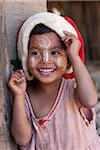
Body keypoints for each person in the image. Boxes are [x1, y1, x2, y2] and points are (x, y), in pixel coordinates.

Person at [8, 12, 100, 150]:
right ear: (25, 58)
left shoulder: (75, 89)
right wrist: (19, 95)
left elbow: (90, 101)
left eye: (55, 52)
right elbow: (22, 139)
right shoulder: (25, 96)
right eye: (35, 53)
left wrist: (74, 56)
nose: (45, 60)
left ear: (68, 59)